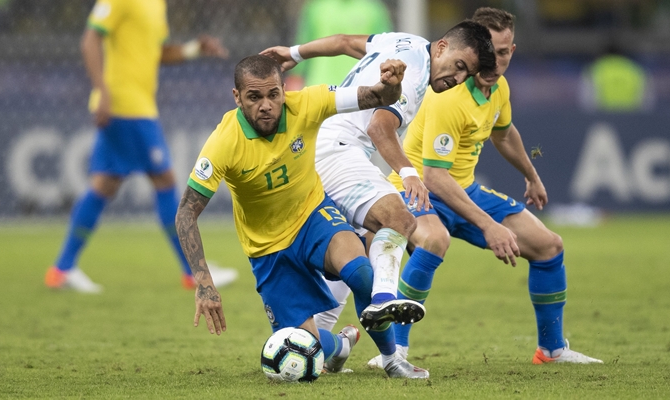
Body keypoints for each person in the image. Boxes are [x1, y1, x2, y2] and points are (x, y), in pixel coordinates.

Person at [363, 7, 601, 366]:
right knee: (433, 240)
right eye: (488, 52)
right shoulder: (449, 96)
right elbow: (434, 177)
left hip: (464, 190)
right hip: (418, 190)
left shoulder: (499, 88)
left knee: (549, 246)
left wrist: (531, 175)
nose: (496, 61)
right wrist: (489, 225)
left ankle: (551, 350)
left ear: (512, 51)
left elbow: (504, 133)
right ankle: (393, 352)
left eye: (503, 52)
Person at [175, 54, 429, 379]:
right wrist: (204, 283)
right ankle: (340, 346)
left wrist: (391, 86)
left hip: (313, 217)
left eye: (273, 95)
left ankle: (393, 359)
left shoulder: (308, 103)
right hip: (269, 251)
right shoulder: (224, 142)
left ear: (284, 89)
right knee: (304, 344)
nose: (266, 105)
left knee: (361, 273)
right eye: (254, 97)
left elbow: (377, 96)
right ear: (237, 97)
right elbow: (186, 214)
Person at [260, 21, 497, 337]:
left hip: (315, 144)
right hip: (339, 151)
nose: (458, 79)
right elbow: (378, 127)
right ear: (442, 47)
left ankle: (323, 344)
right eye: (458, 66)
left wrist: (294, 53)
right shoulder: (411, 78)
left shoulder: (405, 42)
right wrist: (409, 173)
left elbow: (345, 40)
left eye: (467, 74)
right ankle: (385, 297)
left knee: (356, 249)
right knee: (397, 218)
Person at [44, 0, 237, 293]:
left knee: (104, 184)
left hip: (137, 106)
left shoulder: (156, 4)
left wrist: (193, 49)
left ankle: (62, 269)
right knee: (165, 180)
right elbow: (90, 39)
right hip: (126, 107)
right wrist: (101, 89)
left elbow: (157, 52)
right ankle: (193, 272)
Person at [286, 0, 393, 90]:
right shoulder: (315, 8)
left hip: (360, 90)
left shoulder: (374, 10)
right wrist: (296, 77)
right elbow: (302, 45)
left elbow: (385, 51)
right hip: (320, 88)